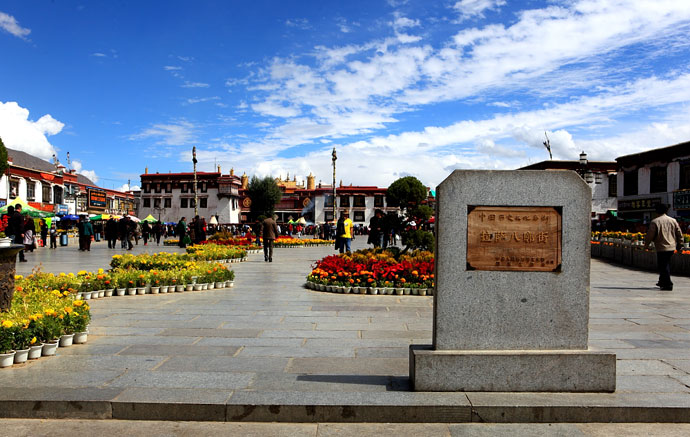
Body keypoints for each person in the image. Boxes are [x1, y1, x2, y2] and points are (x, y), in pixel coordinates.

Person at [644, 204, 683, 291]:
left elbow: (650, 235)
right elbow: (679, 233)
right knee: (665, 264)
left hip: (661, 247)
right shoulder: (673, 220)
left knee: (663, 265)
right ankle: (661, 281)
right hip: (671, 247)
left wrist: (646, 245)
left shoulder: (655, 221)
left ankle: (668, 284)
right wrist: (680, 244)